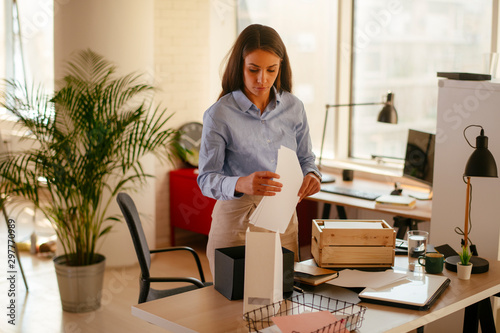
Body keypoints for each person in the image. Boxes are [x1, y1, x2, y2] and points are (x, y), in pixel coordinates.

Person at [197, 24, 321, 276]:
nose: (262, 79)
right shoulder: (219, 114)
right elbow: (205, 178)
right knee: (230, 309)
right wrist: (241, 183)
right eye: (253, 69)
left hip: (283, 219)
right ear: (240, 66)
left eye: (271, 70)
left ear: (280, 68)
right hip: (236, 222)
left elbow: (306, 157)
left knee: (284, 303)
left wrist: (312, 175)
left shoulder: (294, 107)